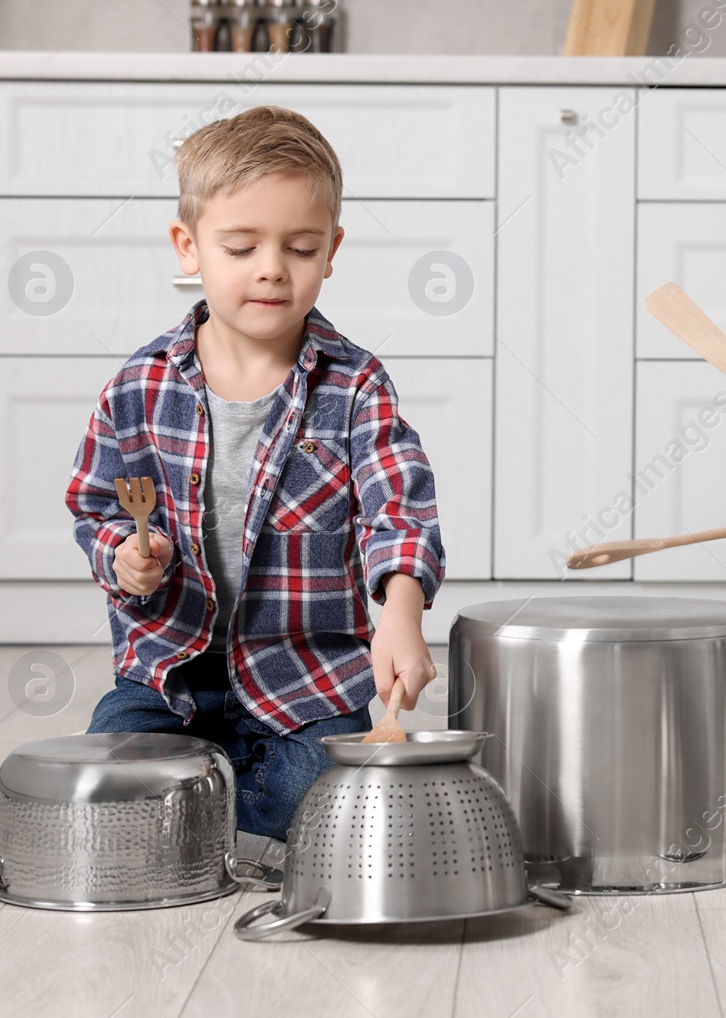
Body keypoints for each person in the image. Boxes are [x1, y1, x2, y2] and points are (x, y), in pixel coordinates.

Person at [64, 105, 444, 840]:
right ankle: (197, 813)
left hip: (305, 683)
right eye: (240, 246)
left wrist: (400, 613)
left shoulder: (355, 386)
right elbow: (94, 501)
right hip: (168, 677)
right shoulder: (141, 385)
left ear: (331, 250)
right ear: (189, 247)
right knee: (104, 778)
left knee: (319, 793)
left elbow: (398, 508)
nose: (272, 267)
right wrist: (122, 556)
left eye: (299, 247)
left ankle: (196, 822)